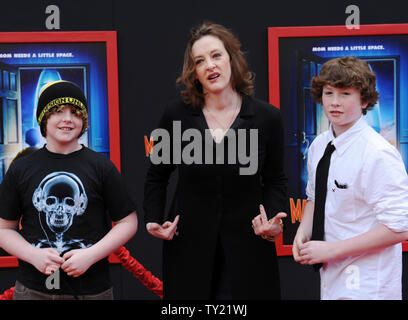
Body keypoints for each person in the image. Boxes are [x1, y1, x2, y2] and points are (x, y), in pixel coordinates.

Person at [143, 22, 288, 300]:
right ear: (194, 72)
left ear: (232, 59)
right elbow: (157, 174)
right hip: (189, 249)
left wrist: (273, 220)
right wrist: (154, 218)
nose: (210, 65)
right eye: (200, 61)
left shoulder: (267, 117)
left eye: (216, 55)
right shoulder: (177, 114)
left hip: (250, 249)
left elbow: (275, 179)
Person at [0, 80, 138, 300]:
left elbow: (128, 222)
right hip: (34, 290)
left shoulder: (102, 167)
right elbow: (3, 229)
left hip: (92, 291)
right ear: (44, 118)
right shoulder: (21, 168)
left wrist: (91, 255)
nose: (67, 119)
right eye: (57, 111)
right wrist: (33, 255)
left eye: (75, 112)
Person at [292, 56, 408, 299]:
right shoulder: (319, 146)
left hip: (369, 284)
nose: (335, 102)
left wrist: (332, 250)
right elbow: (315, 197)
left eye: (345, 94)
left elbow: (401, 228)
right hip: (331, 278)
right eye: (328, 93)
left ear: (364, 100)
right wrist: (303, 231)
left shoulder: (378, 153)